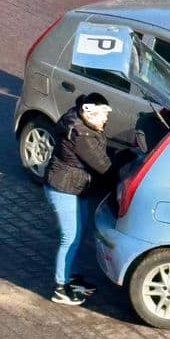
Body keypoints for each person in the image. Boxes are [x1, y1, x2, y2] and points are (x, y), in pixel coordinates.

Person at [43, 93, 115, 305]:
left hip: (76, 187)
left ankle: (71, 278)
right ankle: (60, 288)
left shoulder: (81, 123)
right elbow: (103, 166)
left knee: (78, 235)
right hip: (63, 189)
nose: (105, 119)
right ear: (88, 112)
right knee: (70, 238)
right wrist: (124, 161)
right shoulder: (81, 135)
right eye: (101, 114)